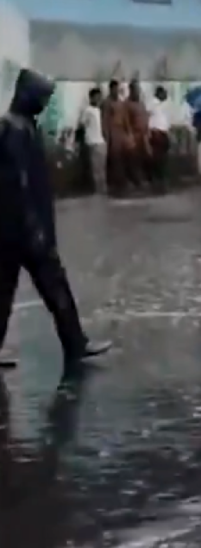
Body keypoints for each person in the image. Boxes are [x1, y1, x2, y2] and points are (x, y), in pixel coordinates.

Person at [0, 68, 111, 368]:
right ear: (26, 96)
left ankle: (75, 342)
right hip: (24, 230)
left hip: (17, 229)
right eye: (42, 98)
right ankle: (75, 344)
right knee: (54, 287)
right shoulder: (14, 130)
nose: (45, 103)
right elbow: (17, 185)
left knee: (6, 292)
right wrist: (34, 228)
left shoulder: (23, 126)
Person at [79, 87, 107, 195]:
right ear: (91, 98)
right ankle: (97, 191)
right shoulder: (87, 111)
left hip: (101, 142)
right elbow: (82, 124)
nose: (98, 99)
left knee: (102, 169)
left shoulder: (99, 110)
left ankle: (103, 190)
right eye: (96, 97)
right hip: (92, 142)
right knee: (95, 169)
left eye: (99, 97)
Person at [125, 81, 151, 189]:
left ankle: (142, 179)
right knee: (133, 159)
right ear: (131, 90)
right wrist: (129, 134)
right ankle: (134, 180)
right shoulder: (127, 104)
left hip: (143, 135)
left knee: (144, 157)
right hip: (134, 134)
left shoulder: (141, 104)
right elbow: (126, 121)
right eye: (136, 90)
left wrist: (147, 132)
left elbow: (145, 118)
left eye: (138, 90)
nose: (138, 92)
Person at [147, 86, 171, 192]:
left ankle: (161, 181)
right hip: (156, 133)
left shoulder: (162, 105)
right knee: (157, 159)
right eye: (164, 93)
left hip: (163, 133)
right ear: (159, 93)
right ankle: (156, 181)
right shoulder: (153, 104)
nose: (166, 95)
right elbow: (148, 116)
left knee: (163, 159)